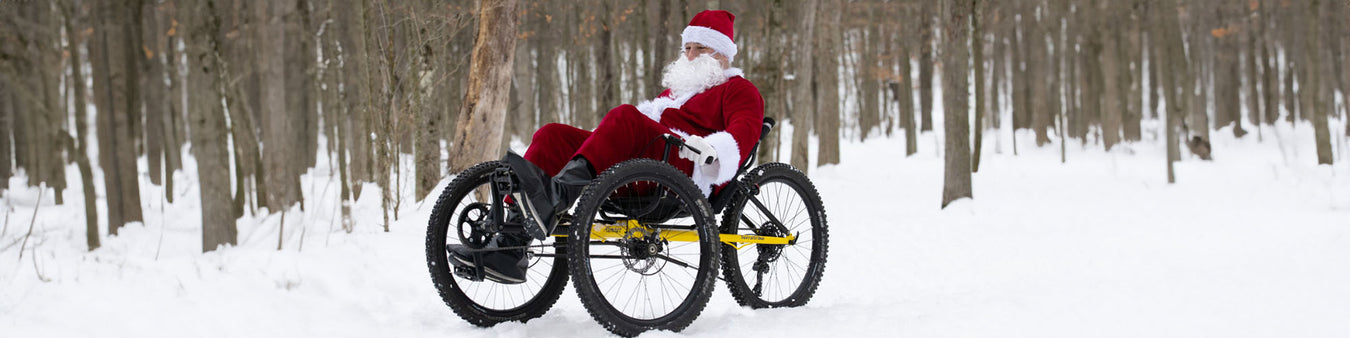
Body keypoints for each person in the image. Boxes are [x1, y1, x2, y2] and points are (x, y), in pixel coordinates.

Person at [450, 10, 764, 284]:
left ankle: (559, 193)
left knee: (626, 116)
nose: (690, 55)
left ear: (722, 53)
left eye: (701, 48)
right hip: (644, 163)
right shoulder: (676, 93)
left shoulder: (739, 90)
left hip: (683, 170)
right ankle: (511, 242)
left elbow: (742, 136)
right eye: (687, 48)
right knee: (552, 134)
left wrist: (710, 150)